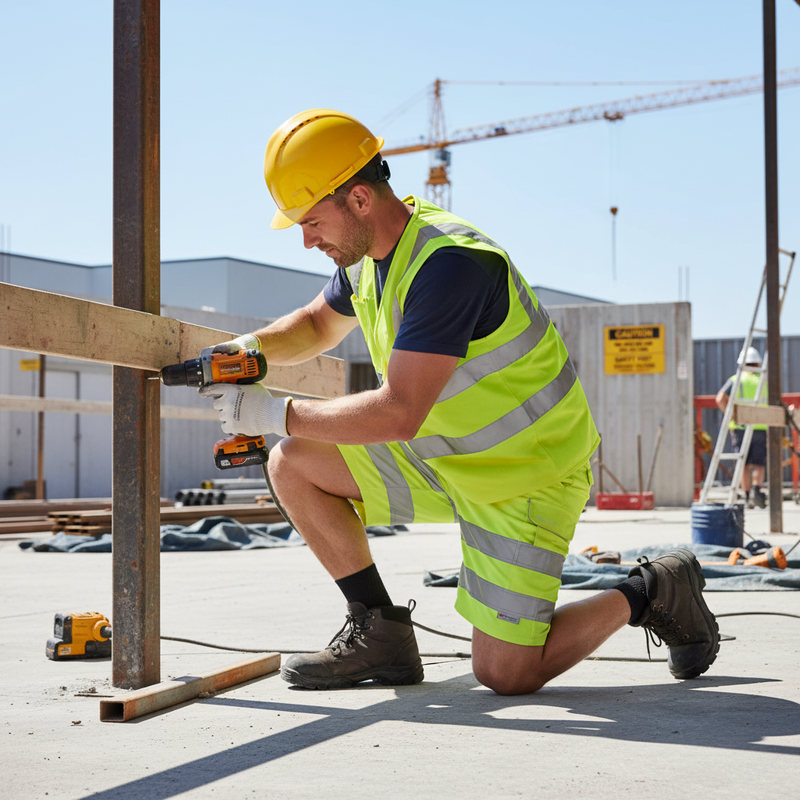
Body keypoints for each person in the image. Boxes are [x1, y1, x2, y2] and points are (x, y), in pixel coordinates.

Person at [200, 109, 719, 694]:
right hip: (446, 456)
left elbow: (399, 411)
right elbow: (318, 325)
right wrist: (245, 351)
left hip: (525, 474)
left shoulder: (449, 264)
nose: (307, 239)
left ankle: (652, 589)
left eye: (313, 221)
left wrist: (272, 413)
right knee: (292, 462)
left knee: (506, 674)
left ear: (360, 200)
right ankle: (380, 632)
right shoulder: (366, 261)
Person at [715, 346, 768, 509]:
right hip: (760, 426)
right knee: (759, 463)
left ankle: (746, 496)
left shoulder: (736, 379)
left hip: (740, 426)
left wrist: (730, 415)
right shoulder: (763, 380)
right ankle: (757, 489)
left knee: (742, 462)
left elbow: (720, 398)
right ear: (757, 363)